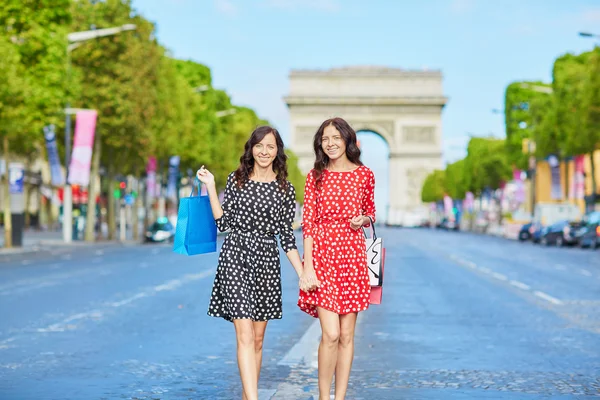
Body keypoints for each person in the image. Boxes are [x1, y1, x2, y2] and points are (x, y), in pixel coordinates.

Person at [196, 126, 314, 400]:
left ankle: (248, 394)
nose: (264, 151)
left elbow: (287, 238)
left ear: (277, 152)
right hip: (235, 257)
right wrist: (211, 187)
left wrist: (302, 273)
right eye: (259, 146)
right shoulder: (236, 180)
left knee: (258, 340)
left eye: (270, 147)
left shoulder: (286, 189)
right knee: (246, 336)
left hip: (266, 264)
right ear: (251, 149)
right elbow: (223, 223)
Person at [298, 117, 376, 400]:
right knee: (330, 334)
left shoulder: (365, 175)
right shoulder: (315, 176)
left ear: (347, 140)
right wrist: (308, 267)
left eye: (335, 138)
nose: (330, 144)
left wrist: (363, 219)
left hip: (352, 256)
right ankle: (323, 396)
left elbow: (371, 212)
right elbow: (308, 223)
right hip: (323, 256)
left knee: (346, 336)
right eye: (324, 139)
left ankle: (339, 396)